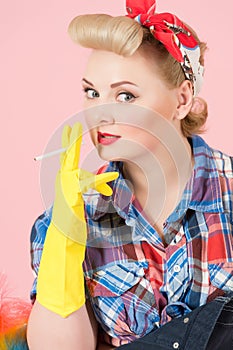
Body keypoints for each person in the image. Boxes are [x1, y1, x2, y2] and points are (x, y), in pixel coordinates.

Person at [27, 0, 233, 349]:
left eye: (125, 95)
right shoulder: (76, 216)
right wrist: (63, 244)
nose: (100, 114)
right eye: (92, 92)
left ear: (182, 100)